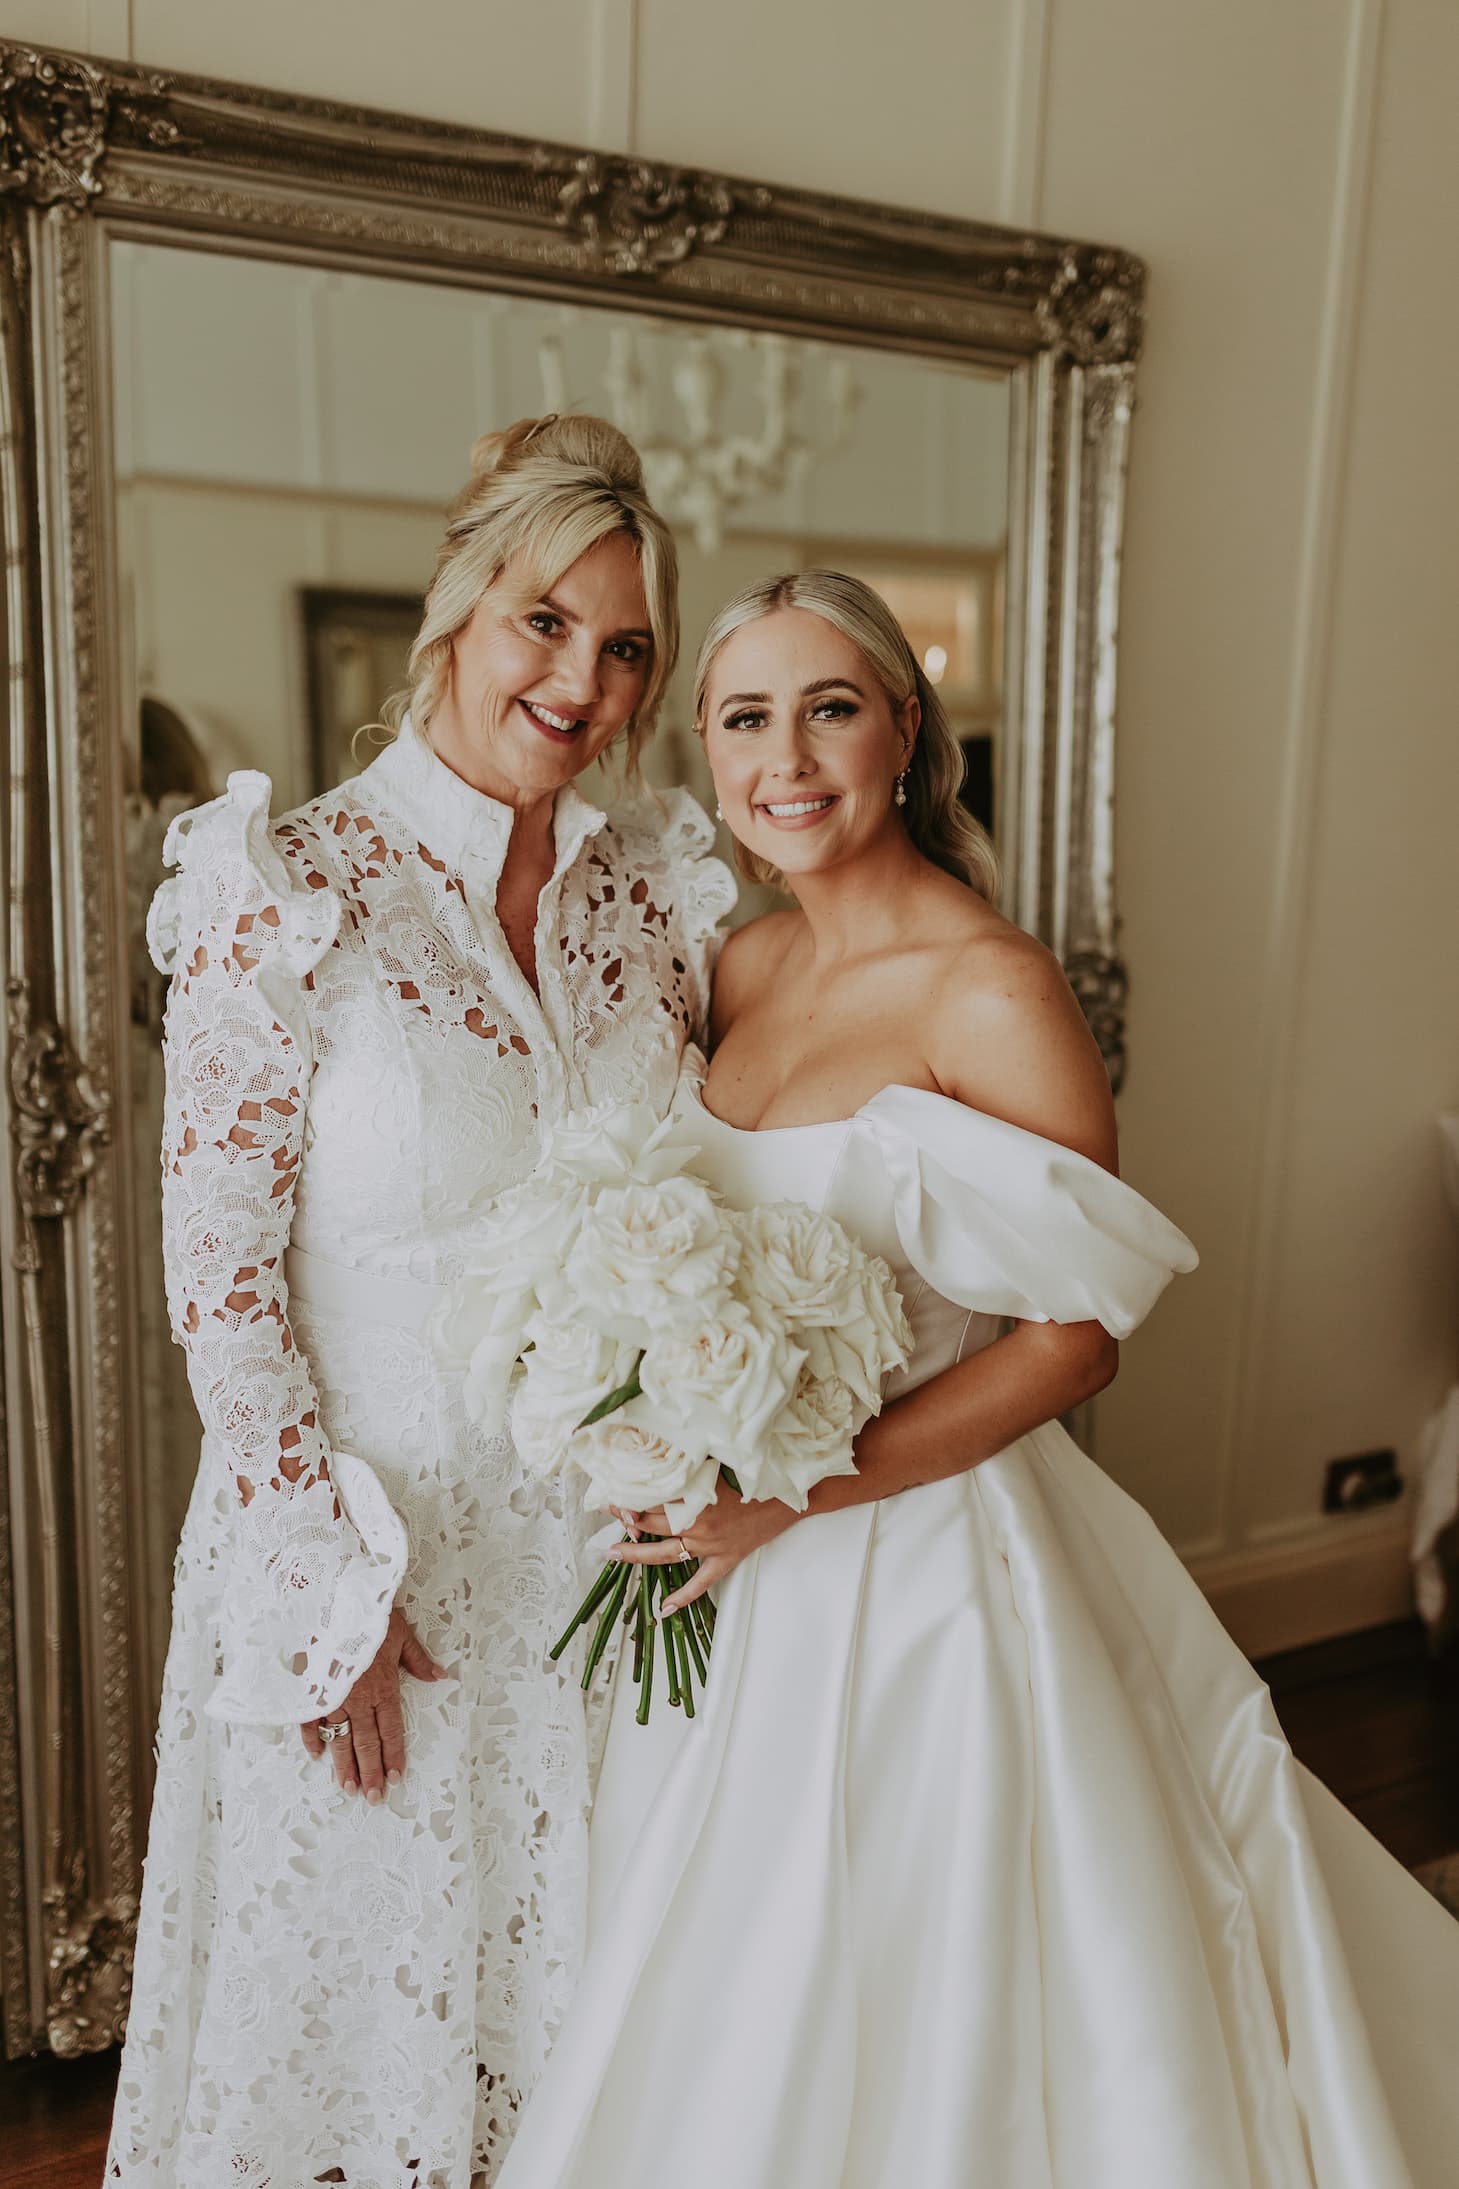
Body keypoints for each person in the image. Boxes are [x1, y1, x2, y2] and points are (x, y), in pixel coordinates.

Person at [498, 569, 1459, 2189]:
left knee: (950, 1984)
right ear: (710, 751)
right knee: (728, 1971)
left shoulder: (992, 987)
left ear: (906, 732)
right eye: (746, 716)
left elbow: (1075, 1338)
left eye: (829, 708)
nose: (784, 757)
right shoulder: (740, 967)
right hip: (739, 1576)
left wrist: (801, 1484)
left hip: (924, 1562)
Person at [105, 415, 735, 2189]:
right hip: (370, 1553)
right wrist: (323, 1582)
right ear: (460, 608)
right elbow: (219, 1277)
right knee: (360, 2053)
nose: (583, 679)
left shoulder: (650, 900)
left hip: (604, 1580)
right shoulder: (283, 886)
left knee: (594, 2040)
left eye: (625, 648)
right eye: (548, 620)